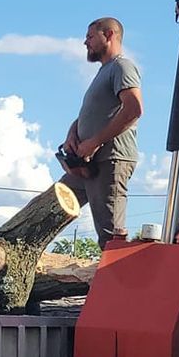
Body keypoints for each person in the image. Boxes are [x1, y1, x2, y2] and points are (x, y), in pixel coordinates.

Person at [60, 17, 143, 243]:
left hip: (110, 160)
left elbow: (134, 109)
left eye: (89, 37)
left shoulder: (122, 66)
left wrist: (94, 142)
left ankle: (121, 277)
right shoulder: (104, 72)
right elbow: (90, 113)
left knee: (110, 236)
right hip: (86, 163)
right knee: (52, 207)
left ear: (108, 35)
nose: (85, 43)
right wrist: (72, 135)